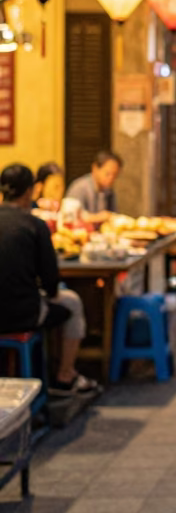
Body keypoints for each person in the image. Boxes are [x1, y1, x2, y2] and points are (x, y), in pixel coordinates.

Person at [0, 164, 97, 394]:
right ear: (30, 191)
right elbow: (51, 281)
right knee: (71, 303)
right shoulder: (35, 225)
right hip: (23, 314)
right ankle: (65, 375)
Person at [65, 150, 122, 222]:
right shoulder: (80, 188)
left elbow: (113, 216)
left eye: (115, 175)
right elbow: (72, 217)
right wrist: (100, 217)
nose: (111, 178)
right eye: (107, 174)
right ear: (95, 168)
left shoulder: (109, 191)